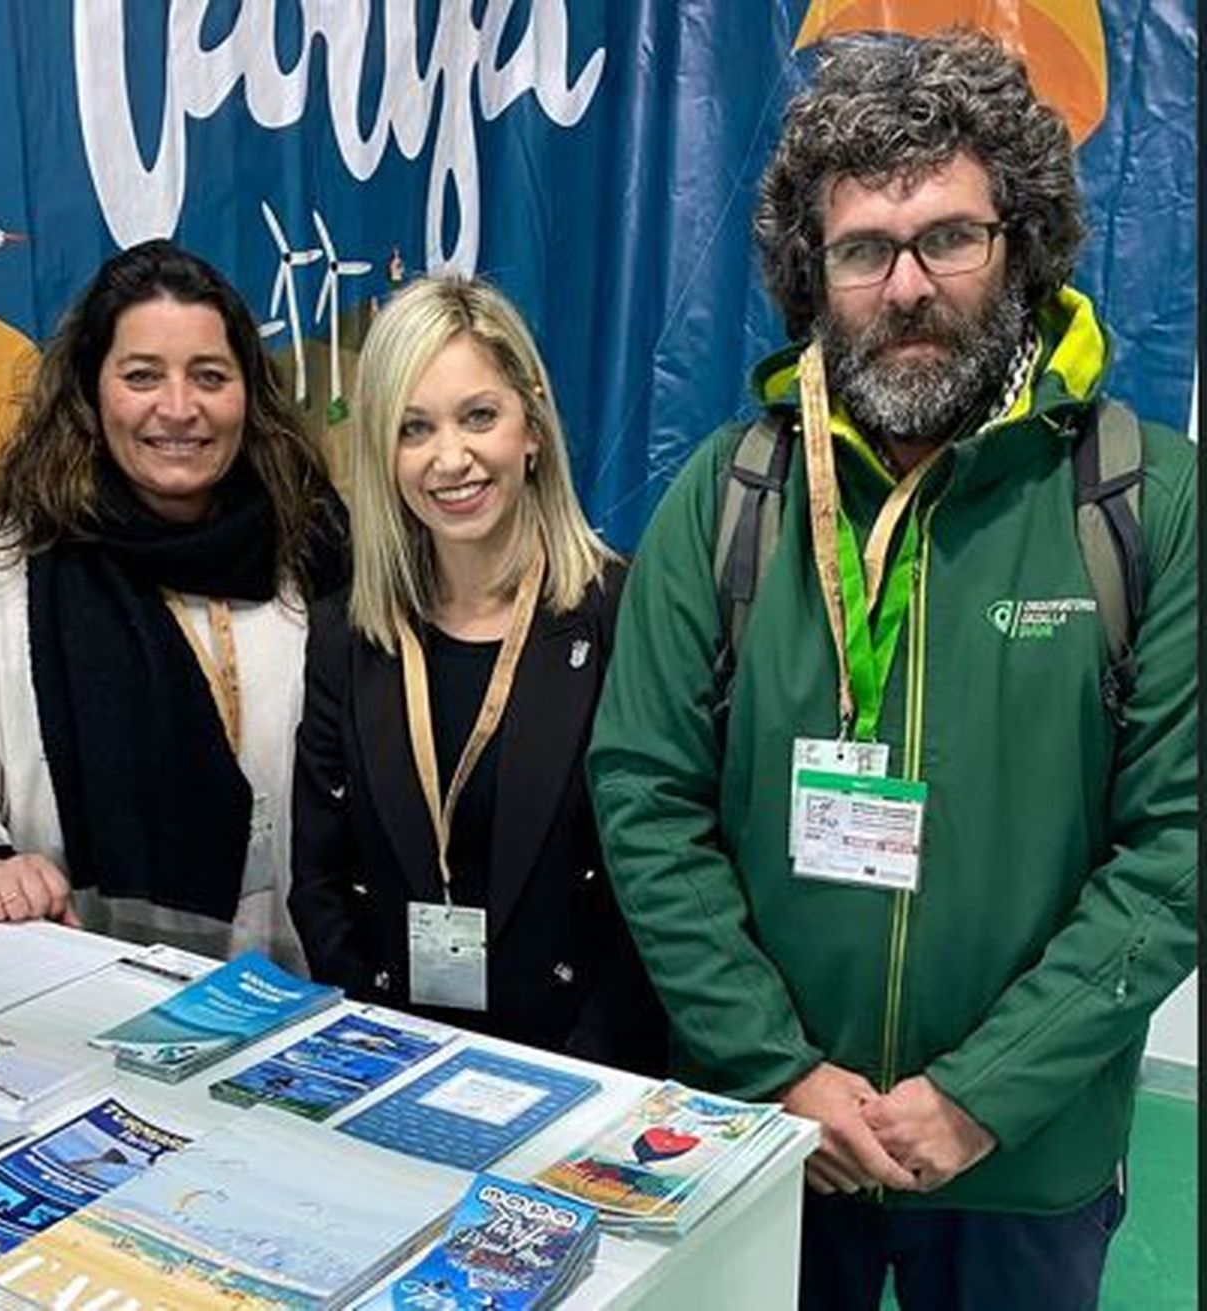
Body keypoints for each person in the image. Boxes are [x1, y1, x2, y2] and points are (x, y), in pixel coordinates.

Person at [589, 29, 1196, 1311]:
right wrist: (774, 1069)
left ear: (1021, 246)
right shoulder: (732, 496)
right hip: (776, 1149)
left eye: (949, 237)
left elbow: (1177, 845)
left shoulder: (1146, 502)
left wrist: (982, 1095)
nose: (906, 284)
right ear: (814, 276)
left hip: (1023, 1168)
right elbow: (643, 796)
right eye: (863, 249)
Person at [0, 239, 346, 970]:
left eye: (209, 376)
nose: (178, 408)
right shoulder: (10, 567)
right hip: (92, 982)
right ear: (90, 392)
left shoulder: (316, 548)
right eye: (141, 375)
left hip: (308, 980)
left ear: (248, 393)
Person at [290, 275, 666, 1072]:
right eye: (413, 428)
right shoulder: (346, 634)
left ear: (531, 425)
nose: (449, 458)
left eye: (479, 416)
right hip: (394, 1062)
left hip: (583, 1075)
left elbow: (666, 882)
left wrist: (586, 1071)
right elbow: (321, 879)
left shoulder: (624, 616)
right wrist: (380, 1051)